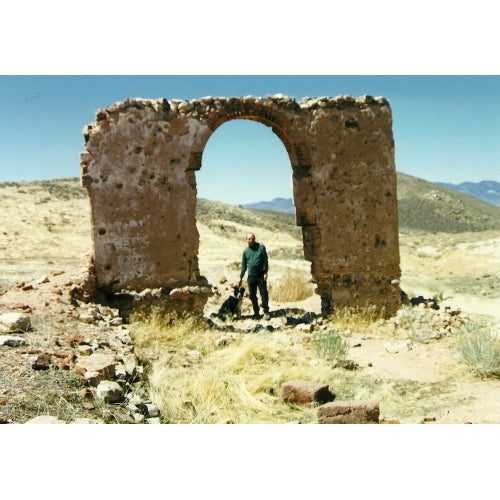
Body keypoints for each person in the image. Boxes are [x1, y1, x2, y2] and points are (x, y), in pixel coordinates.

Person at [238, 233, 270, 320]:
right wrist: (240, 277)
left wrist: (265, 272)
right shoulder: (245, 252)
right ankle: (256, 312)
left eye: (252, 239)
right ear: (246, 240)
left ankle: (266, 312)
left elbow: (265, 260)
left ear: (254, 239)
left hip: (260, 275)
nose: (251, 240)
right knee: (252, 295)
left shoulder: (261, 248)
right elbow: (244, 266)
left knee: (264, 293)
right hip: (251, 276)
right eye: (249, 239)